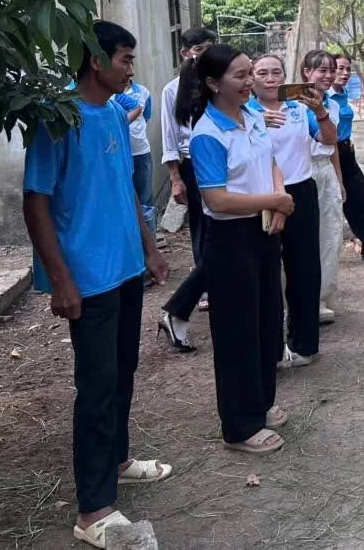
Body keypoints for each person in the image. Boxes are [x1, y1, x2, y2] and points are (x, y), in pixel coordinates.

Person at [22, 21, 172, 549]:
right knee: (97, 383)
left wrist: (150, 248)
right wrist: (61, 280)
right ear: (96, 61)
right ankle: (93, 510)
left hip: (126, 265)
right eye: (126, 60)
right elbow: (35, 202)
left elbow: (126, 190)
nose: (131, 70)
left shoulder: (111, 110)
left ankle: (119, 460)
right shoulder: (56, 119)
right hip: (87, 275)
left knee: (123, 370)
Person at [186, 44, 295, 454]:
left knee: (268, 318)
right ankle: (239, 426)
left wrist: (279, 197)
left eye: (250, 73)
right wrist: (273, 202)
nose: (250, 82)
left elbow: (270, 163)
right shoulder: (207, 134)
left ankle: (261, 402)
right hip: (231, 240)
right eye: (240, 76)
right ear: (213, 83)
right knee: (237, 332)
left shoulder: (251, 117)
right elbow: (217, 200)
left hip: (264, 230)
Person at [249, 56, 332, 367]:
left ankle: (304, 343)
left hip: (301, 190)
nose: (270, 79)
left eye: (276, 72)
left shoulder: (299, 108)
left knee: (305, 269)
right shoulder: (246, 111)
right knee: (267, 271)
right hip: (264, 195)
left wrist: (320, 112)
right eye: (262, 73)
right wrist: (256, 123)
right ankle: (270, 348)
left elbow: (328, 139)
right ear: (251, 79)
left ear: (286, 76)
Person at [156, 27, 217, 350]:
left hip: (224, 165)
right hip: (194, 166)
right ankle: (192, 298)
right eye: (198, 49)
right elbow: (169, 137)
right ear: (185, 53)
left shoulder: (218, 83)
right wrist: (176, 177)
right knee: (206, 232)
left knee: (223, 236)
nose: (203, 54)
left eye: (209, 47)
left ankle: (188, 302)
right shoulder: (172, 90)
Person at [301, 50, 345, 324]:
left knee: (330, 236)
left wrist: (339, 180)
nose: (328, 76)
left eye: (332, 70)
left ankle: (321, 298)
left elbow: (332, 145)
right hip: (299, 172)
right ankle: (296, 298)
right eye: (321, 70)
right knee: (303, 238)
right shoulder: (293, 105)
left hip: (325, 170)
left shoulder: (334, 104)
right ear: (306, 72)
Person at [330, 54, 364, 263]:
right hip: (329, 152)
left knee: (361, 199)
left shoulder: (342, 94)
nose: (344, 74)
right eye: (339, 69)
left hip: (347, 151)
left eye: (347, 69)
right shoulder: (323, 98)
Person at [113, 78, 155, 233]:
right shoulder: (110, 95)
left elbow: (146, 115)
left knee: (145, 199)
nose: (129, 70)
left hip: (140, 153)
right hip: (117, 154)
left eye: (130, 63)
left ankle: (150, 244)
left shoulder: (142, 92)